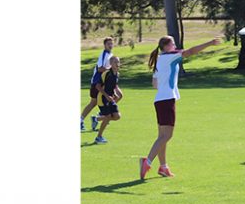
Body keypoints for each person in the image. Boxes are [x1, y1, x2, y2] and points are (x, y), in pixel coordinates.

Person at [139, 35, 223, 180]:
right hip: (167, 100)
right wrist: (210, 43)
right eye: (172, 43)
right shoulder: (170, 56)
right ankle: (147, 162)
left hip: (160, 100)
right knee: (167, 136)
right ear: (166, 46)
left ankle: (163, 167)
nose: (175, 45)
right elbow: (190, 52)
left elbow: (155, 84)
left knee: (162, 137)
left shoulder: (160, 59)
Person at [81, 37, 114, 131]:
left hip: (104, 83)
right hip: (97, 83)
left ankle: (100, 116)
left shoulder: (110, 54)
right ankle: (81, 121)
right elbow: (100, 68)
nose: (110, 45)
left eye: (111, 44)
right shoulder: (104, 55)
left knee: (116, 97)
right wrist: (111, 70)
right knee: (93, 102)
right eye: (109, 44)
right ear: (105, 45)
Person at [94, 56, 122, 144]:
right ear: (110, 64)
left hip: (110, 98)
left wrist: (115, 94)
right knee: (108, 116)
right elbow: (98, 86)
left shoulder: (117, 74)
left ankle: (97, 119)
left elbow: (112, 86)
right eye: (115, 62)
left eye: (118, 62)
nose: (117, 64)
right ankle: (99, 137)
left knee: (117, 116)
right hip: (102, 98)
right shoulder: (106, 73)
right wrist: (106, 96)